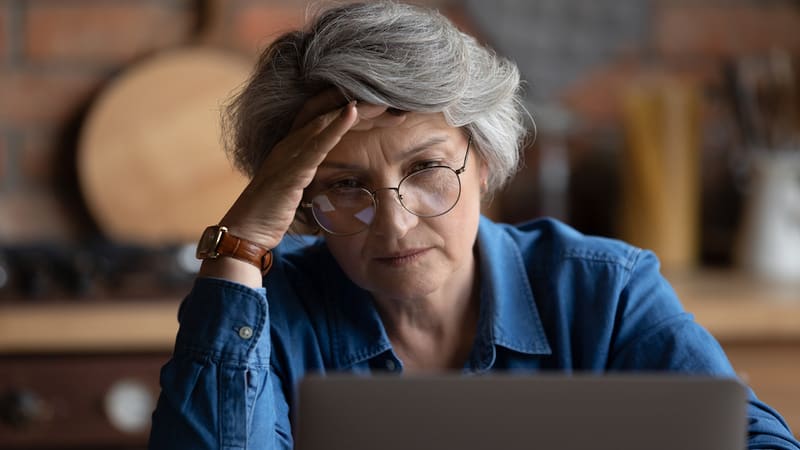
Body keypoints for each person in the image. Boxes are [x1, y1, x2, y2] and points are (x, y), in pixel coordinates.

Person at [148, 1, 800, 449]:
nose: (395, 225)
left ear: (483, 161)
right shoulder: (271, 313)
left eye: (428, 168)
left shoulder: (606, 293)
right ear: (300, 202)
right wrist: (238, 249)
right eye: (345, 185)